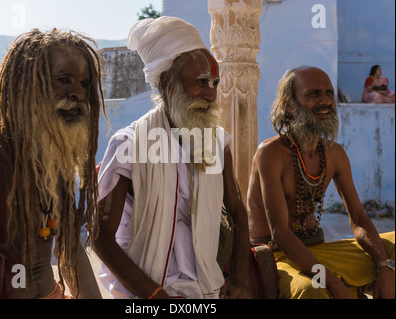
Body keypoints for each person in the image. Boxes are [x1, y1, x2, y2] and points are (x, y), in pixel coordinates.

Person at [93, 16, 252, 299]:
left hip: (208, 288)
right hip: (143, 292)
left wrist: (241, 282)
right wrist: (156, 296)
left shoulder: (216, 143)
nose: (211, 94)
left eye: (215, 83)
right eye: (202, 82)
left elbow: (238, 212)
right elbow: (100, 237)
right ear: (167, 82)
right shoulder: (129, 145)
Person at [0, 29, 107, 298]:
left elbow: (70, 252)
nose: (78, 93)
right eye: (63, 80)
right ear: (24, 85)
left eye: (85, 84)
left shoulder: (55, 155)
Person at [247, 66, 395, 299]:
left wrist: (384, 265)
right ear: (289, 105)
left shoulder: (334, 154)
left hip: (318, 252)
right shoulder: (270, 153)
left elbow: (358, 218)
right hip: (277, 256)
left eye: (329, 93)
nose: (325, 100)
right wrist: (333, 284)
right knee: (311, 290)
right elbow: (280, 234)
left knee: (392, 247)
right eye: (314, 94)